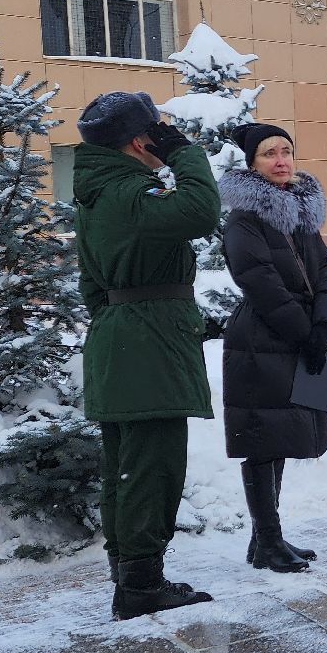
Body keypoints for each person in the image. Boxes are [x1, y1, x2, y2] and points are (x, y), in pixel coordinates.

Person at [74, 91, 220, 620]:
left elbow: (92, 285)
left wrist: (121, 322)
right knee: (152, 468)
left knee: (126, 468)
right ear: (141, 140)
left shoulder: (98, 194)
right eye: (157, 129)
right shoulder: (128, 192)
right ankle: (139, 586)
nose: (164, 135)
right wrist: (183, 152)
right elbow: (201, 210)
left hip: (122, 340)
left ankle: (129, 575)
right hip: (148, 346)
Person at [219, 123, 327, 574]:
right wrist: (303, 331)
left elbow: (325, 273)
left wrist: (325, 323)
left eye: (286, 151)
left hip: (299, 337)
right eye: (269, 153)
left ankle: (264, 539)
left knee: (283, 436)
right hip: (261, 340)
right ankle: (268, 540)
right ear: (252, 164)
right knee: (262, 442)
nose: (281, 160)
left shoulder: (301, 216)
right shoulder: (244, 220)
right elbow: (259, 281)